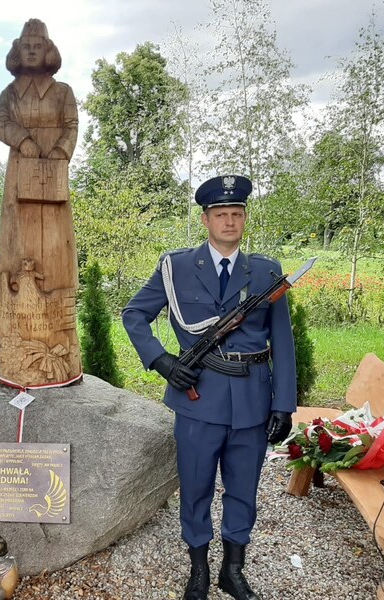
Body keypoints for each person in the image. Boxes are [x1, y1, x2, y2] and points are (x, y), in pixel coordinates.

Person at [122, 176, 295, 600]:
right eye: (221, 214)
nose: (230, 221)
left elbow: (283, 341)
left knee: (243, 489)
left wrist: (284, 403)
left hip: (253, 399)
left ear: (244, 219)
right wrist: (161, 361)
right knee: (196, 486)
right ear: (206, 219)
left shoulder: (267, 271)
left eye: (237, 214)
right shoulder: (177, 266)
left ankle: (232, 571)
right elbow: (134, 315)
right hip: (198, 398)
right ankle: (198, 570)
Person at [0, 18, 82, 387]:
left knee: (55, 247)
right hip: (20, 173)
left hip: (55, 172)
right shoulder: (10, 92)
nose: (32, 50)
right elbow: (1, 124)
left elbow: (72, 124)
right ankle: (20, 350)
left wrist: (61, 151)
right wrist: (24, 140)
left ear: (49, 51)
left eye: (38, 44)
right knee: (19, 244)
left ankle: (60, 353)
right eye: (26, 45)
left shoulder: (62, 90)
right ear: (17, 51)